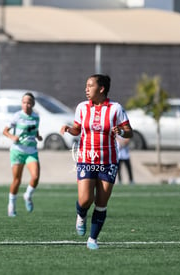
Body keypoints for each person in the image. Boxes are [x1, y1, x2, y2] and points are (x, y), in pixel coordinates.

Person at [60, 74, 132, 249]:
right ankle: (81, 214)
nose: (86, 89)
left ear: (101, 89)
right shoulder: (82, 107)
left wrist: (121, 132)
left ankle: (92, 239)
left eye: (90, 86)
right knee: (85, 199)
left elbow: (129, 131)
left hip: (108, 161)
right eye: (86, 85)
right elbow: (78, 129)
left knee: (101, 202)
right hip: (86, 157)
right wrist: (70, 129)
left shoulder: (116, 108)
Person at [3, 92, 43, 217]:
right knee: (17, 180)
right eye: (24, 102)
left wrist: (38, 136)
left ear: (33, 104)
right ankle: (11, 206)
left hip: (31, 151)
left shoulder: (36, 117)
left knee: (35, 177)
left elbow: (34, 129)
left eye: (29, 102)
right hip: (18, 151)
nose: (26, 105)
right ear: (22, 103)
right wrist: (12, 136)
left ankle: (28, 195)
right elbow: (5, 131)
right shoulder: (17, 116)